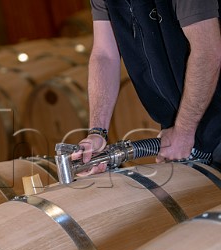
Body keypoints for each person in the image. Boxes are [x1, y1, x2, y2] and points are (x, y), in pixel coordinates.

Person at [74, 0, 221, 174]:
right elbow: (105, 55)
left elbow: (207, 51)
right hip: (180, 122)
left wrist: (184, 130)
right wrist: (97, 132)